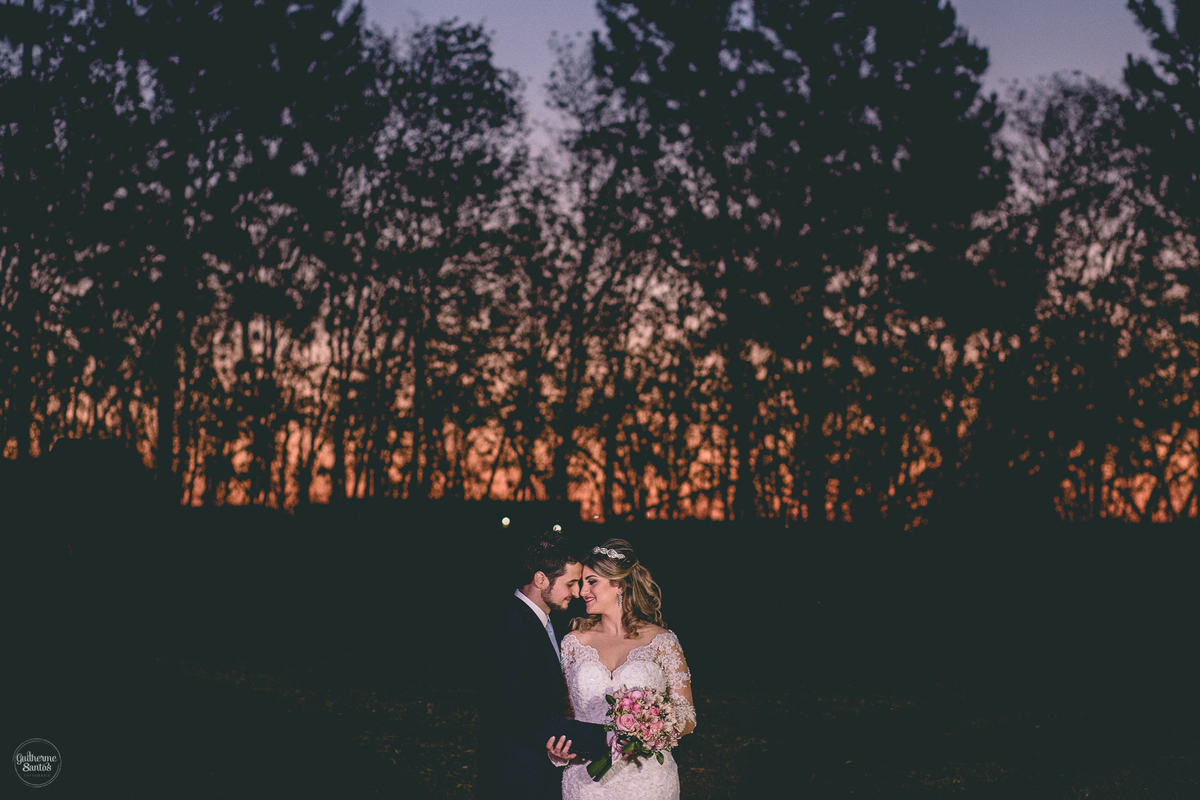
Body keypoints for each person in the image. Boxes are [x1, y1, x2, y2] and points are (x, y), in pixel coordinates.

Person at [547, 538, 696, 800]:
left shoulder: (662, 641)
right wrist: (560, 748)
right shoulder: (573, 643)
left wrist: (650, 728)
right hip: (586, 782)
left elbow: (687, 714)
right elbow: (566, 714)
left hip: (648, 782)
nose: (582, 591)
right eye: (581, 582)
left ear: (619, 584)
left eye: (591, 581)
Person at [477, 526, 610, 800]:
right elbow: (529, 718)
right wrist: (610, 738)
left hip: (538, 773)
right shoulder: (511, 630)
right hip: (517, 778)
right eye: (570, 583)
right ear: (540, 579)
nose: (577, 592)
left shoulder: (542, 623)